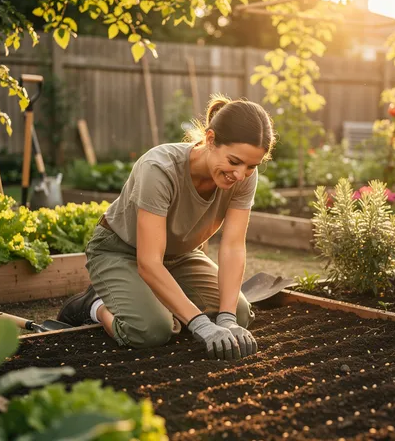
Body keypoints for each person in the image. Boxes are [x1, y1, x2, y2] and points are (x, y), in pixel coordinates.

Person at [57, 94, 275, 361]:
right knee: (152, 330)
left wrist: (227, 318)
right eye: (234, 161)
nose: (240, 174)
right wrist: (199, 323)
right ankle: (94, 305)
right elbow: (149, 262)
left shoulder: (244, 178)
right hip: (121, 251)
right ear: (210, 140)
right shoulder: (159, 169)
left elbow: (232, 247)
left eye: (251, 166)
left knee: (239, 314)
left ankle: (155, 300)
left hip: (180, 256)